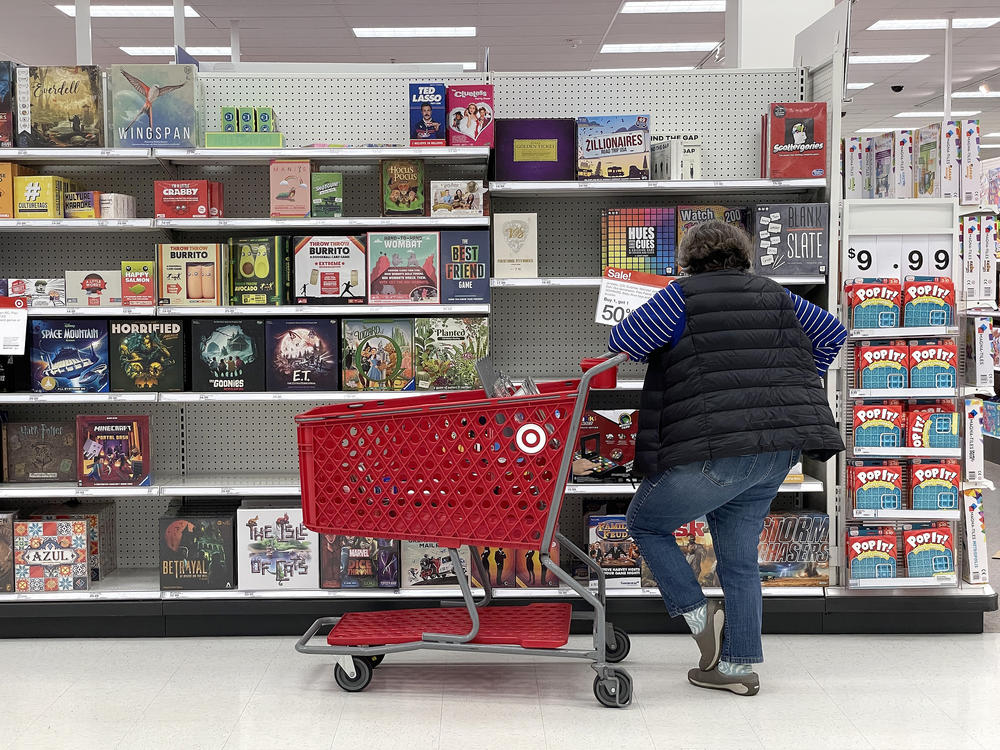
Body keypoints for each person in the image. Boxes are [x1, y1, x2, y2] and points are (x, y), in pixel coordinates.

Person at [608, 219, 845, 697]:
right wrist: (796, 380)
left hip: (717, 450)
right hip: (777, 451)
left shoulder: (681, 297)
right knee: (739, 562)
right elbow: (833, 332)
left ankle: (700, 621)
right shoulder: (777, 295)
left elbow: (623, 342)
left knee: (646, 523)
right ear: (743, 256)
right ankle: (736, 669)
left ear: (687, 261)